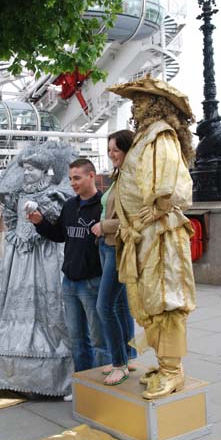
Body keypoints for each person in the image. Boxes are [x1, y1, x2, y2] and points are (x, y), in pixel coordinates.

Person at [107, 76, 196, 400]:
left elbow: (170, 187)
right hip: (145, 236)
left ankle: (172, 371)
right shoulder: (147, 135)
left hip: (159, 236)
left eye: (142, 99)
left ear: (157, 104)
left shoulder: (160, 135)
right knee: (150, 301)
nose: (136, 104)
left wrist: (151, 214)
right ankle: (165, 364)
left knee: (165, 300)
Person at [0, 142, 75, 397]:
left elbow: (57, 225)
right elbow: (11, 219)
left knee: (48, 308)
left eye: (32, 169)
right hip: (18, 260)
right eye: (25, 168)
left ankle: (54, 372)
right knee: (13, 307)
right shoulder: (18, 195)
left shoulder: (55, 193)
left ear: (45, 171)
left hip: (45, 258)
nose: (26, 173)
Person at [29, 158, 111, 391]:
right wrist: (40, 222)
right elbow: (59, 235)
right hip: (70, 283)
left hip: (93, 282)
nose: (73, 183)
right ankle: (83, 387)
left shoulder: (103, 206)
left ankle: (103, 388)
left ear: (91, 176)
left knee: (99, 340)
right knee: (77, 339)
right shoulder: (69, 206)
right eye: (71, 178)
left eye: (77, 178)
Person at [90, 130, 136, 386]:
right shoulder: (120, 176)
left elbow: (135, 219)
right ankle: (125, 359)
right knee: (117, 306)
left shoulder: (133, 179)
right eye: (109, 151)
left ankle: (119, 363)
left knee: (103, 306)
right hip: (107, 247)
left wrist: (104, 226)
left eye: (115, 150)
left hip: (118, 247)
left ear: (128, 150)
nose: (111, 155)